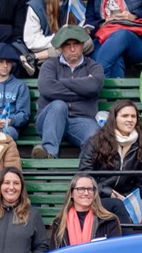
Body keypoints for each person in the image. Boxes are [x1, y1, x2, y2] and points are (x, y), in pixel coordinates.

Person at [35, 26, 103, 158]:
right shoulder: (49, 65)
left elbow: (93, 87)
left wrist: (62, 82)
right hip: (50, 120)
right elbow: (47, 88)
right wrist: (82, 89)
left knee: (95, 136)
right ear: (60, 48)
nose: (72, 49)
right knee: (59, 105)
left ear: (83, 45)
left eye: (76, 44)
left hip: (81, 120)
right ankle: (48, 153)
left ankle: (84, 174)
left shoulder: (94, 66)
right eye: (67, 45)